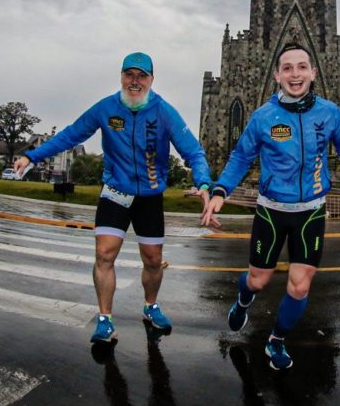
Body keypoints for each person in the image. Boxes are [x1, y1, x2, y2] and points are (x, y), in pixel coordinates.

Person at [14, 52, 212, 344]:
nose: (135, 81)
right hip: (115, 192)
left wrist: (204, 183)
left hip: (149, 196)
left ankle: (151, 305)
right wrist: (32, 156)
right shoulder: (106, 108)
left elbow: (193, 151)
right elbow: (70, 135)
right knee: (104, 255)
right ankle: (105, 319)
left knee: (153, 260)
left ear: (151, 79)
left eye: (141, 76)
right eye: (129, 75)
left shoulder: (164, 112)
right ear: (121, 76)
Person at [201, 42, 340, 370]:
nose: (295, 74)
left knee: (300, 285)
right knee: (258, 280)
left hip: (311, 211)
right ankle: (243, 300)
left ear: (313, 72)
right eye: (287, 68)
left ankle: (276, 340)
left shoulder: (330, 112)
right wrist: (221, 190)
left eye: (302, 67)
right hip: (272, 210)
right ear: (277, 75)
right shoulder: (263, 117)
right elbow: (241, 156)